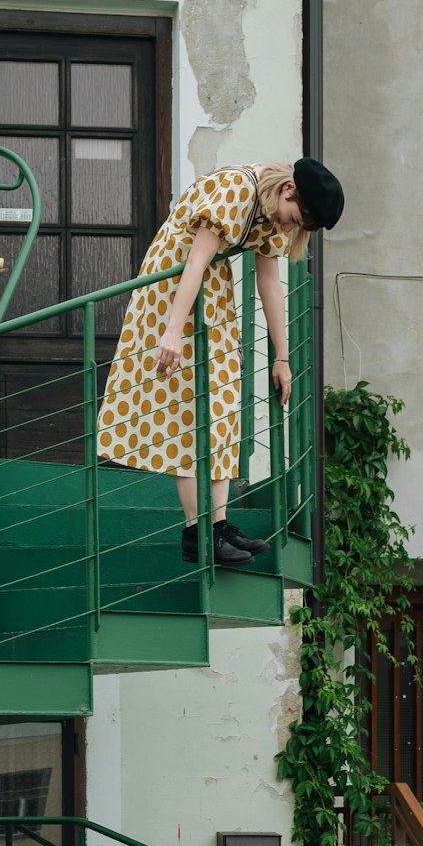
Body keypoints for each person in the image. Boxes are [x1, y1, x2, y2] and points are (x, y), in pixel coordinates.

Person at [97, 158, 344, 567]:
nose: (289, 228)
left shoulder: (272, 217)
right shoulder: (235, 190)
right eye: (294, 218)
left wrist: (282, 357)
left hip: (211, 289)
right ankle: (197, 532)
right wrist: (172, 332)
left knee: (223, 402)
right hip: (175, 284)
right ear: (288, 191)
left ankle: (219, 524)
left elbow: (269, 283)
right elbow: (194, 261)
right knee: (186, 407)